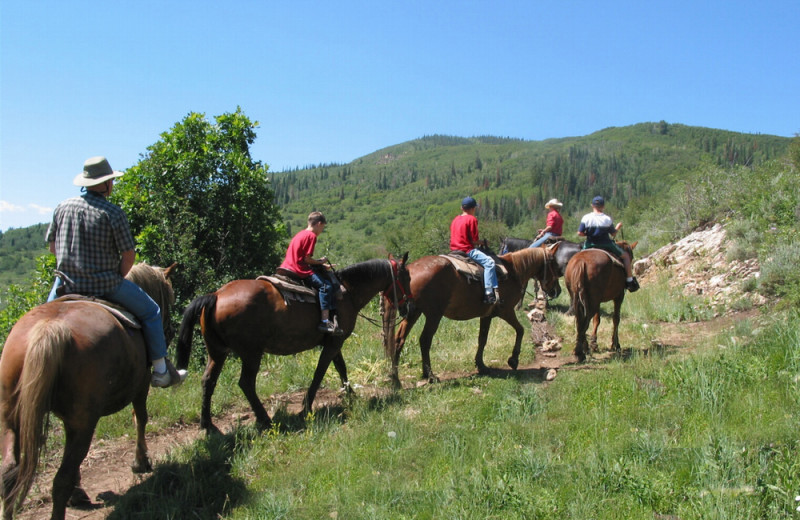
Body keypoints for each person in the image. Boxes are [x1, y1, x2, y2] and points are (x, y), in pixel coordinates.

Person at [46, 156, 187, 388]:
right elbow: (128, 255)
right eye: (111, 180)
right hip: (105, 284)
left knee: (38, 318)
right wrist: (117, 277)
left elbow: (53, 247)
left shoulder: (62, 207)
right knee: (152, 311)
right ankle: (161, 370)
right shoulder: (112, 212)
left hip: (65, 283)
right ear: (105, 184)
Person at [278, 211, 343, 335]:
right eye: (322, 227)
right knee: (325, 287)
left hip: (287, 266)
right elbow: (306, 259)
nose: (321, 230)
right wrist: (320, 262)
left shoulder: (300, 234)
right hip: (299, 269)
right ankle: (324, 321)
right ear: (319, 224)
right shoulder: (311, 236)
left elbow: (301, 256)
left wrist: (320, 264)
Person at [577, 196, 639, 292]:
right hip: (606, 244)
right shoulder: (607, 219)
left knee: (577, 259)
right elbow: (613, 233)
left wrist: (588, 234)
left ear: (592, 205)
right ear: (603, 207)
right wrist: (618, 227)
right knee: (626, 256)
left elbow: (580, 233)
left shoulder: (586, 217)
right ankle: (630, 281)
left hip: (590, 244)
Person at [450, 196, 499, 304]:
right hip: (467, 250)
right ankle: (489, 293)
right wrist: (484, 242)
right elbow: (474, 240)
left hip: (453, 250)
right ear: (473, 208)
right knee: (490, 262)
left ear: (462, 208)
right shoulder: (472, 219)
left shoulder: (455, 219)